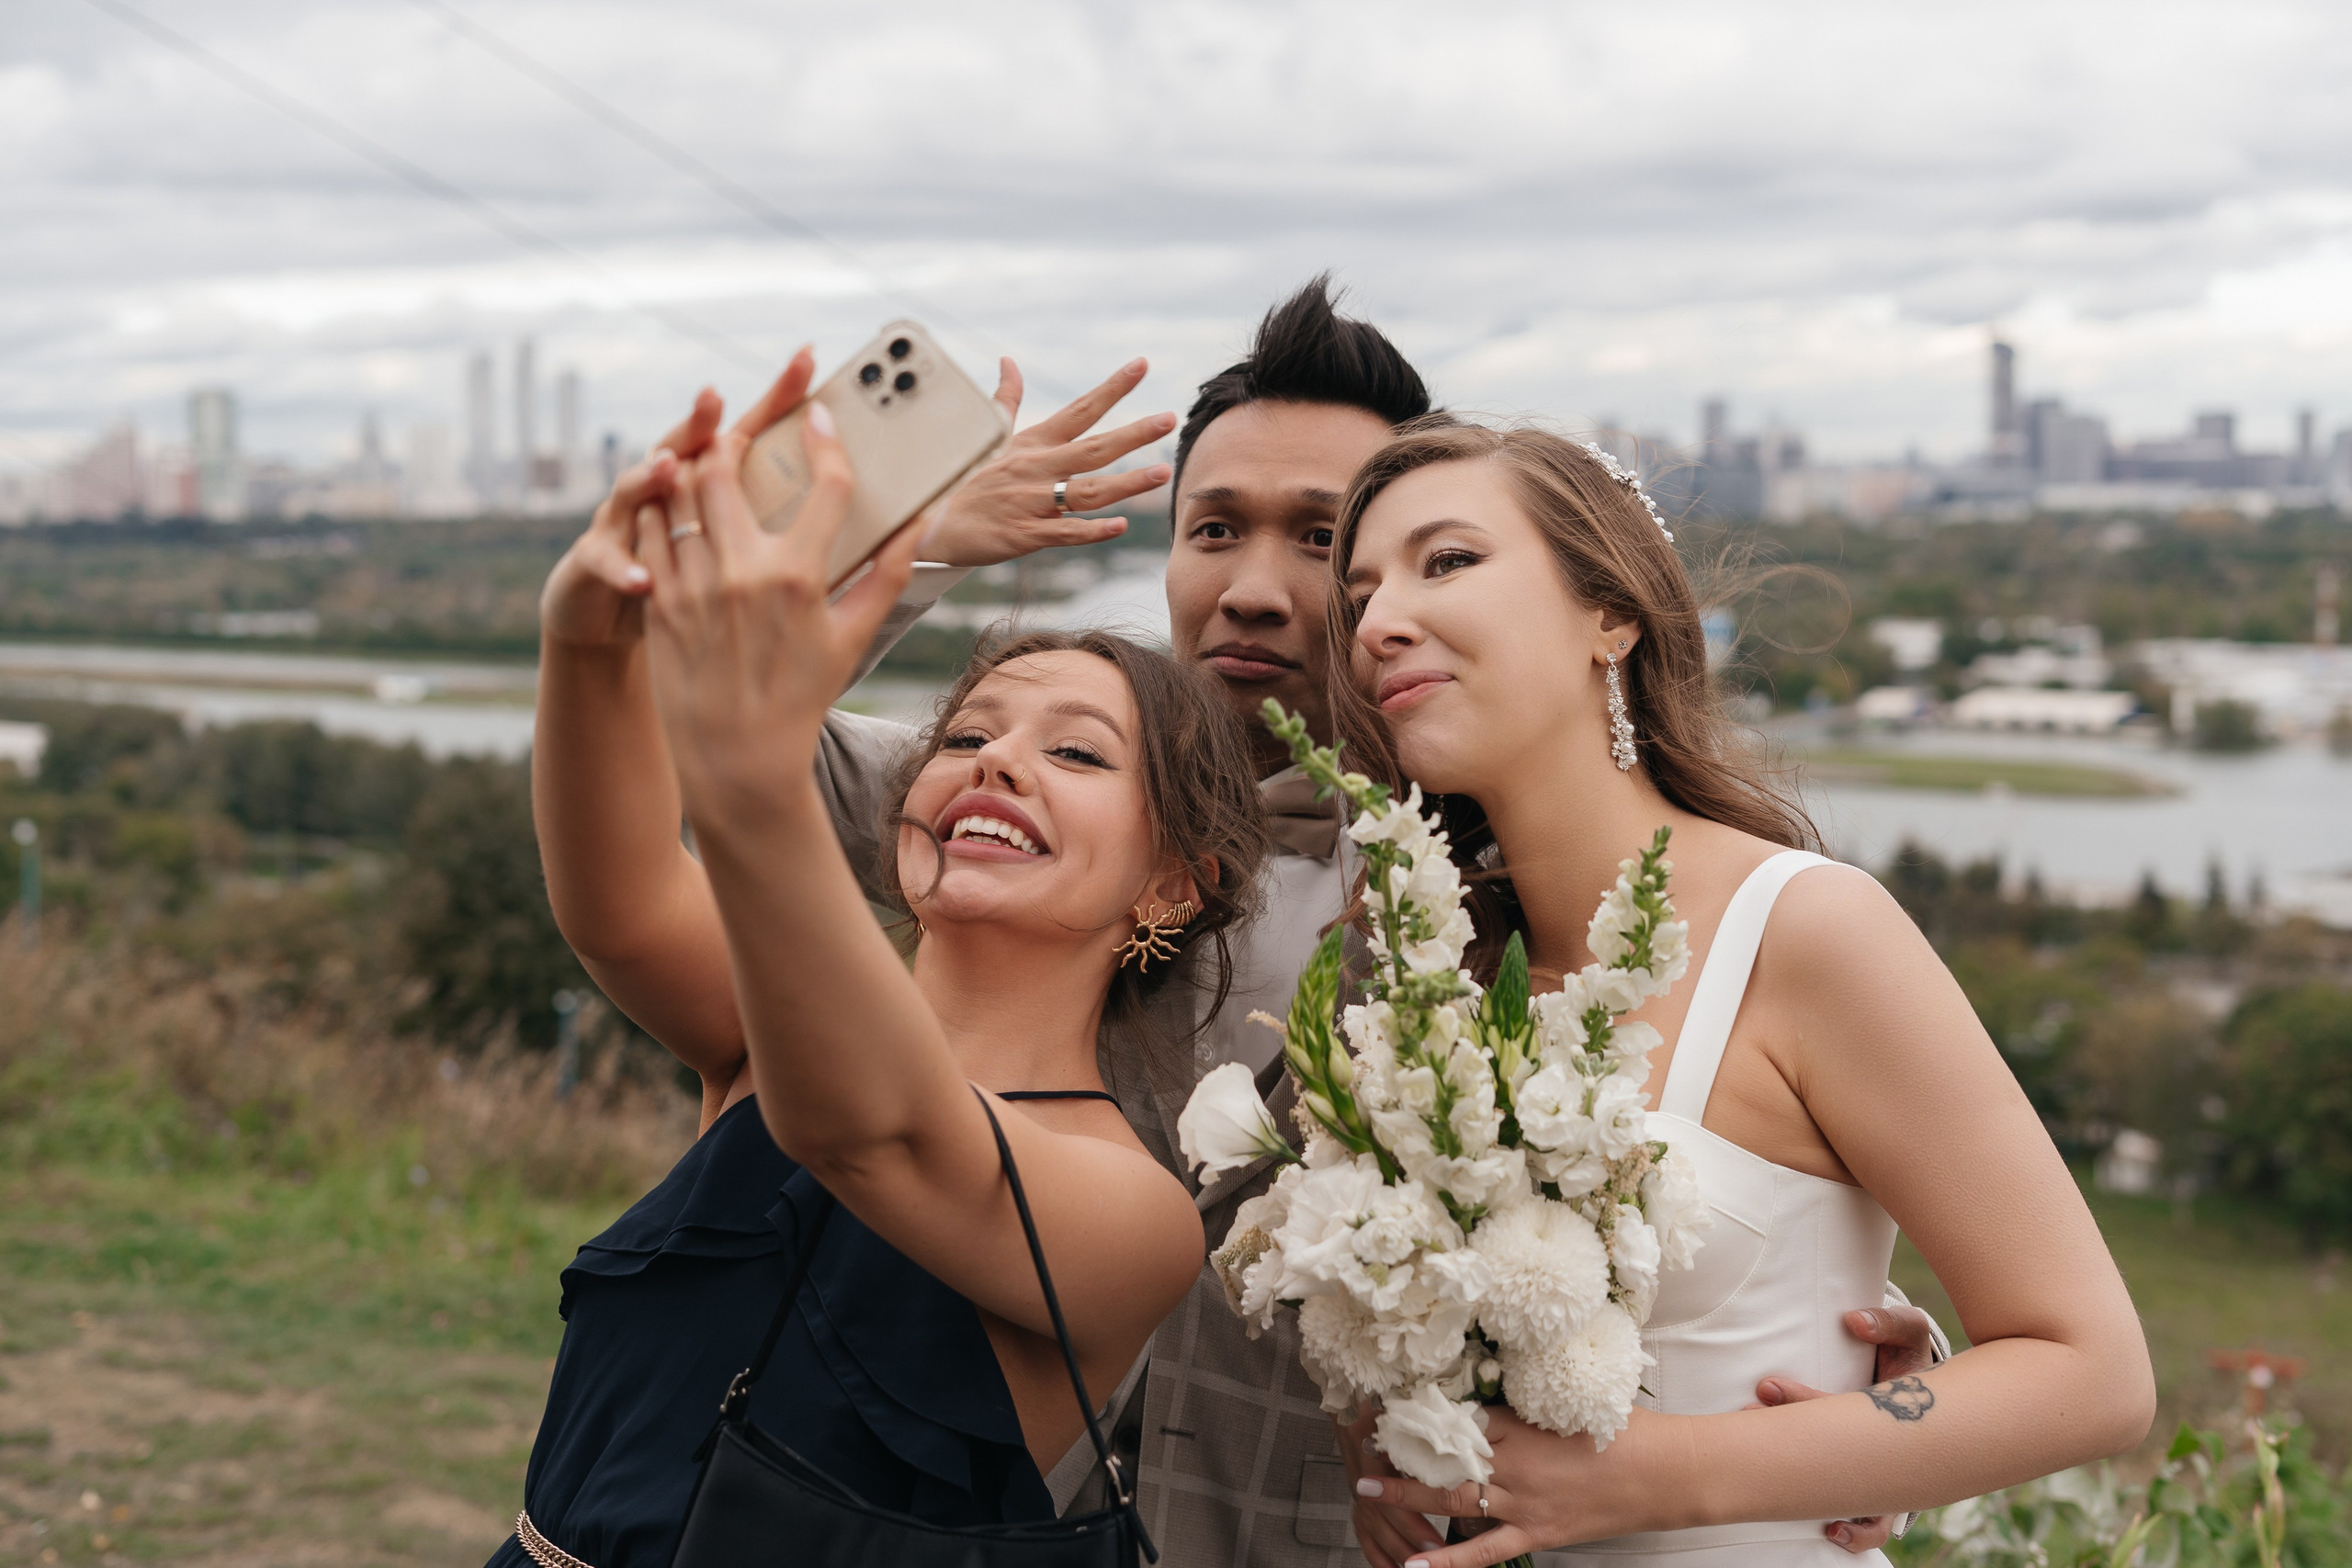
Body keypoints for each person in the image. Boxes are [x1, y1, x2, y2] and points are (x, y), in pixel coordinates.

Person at [537, 279, 1943, 1566]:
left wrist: (1806, 1373)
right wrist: (900, 547)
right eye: (1213, 528)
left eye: (1327, 539)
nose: (1258, 584)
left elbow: (1707, 1141)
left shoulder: (1535, 897)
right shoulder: (1067, 790)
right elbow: (711, 761)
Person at [1329, 420, 2155, 1567]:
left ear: (1608, 613)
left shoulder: (1808, 931)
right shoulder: (1421, 982)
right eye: (1359, 594)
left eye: (1447, 561)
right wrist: (1384, 1442)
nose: (1377, 623)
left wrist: (1675, 1475)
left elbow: (2094, 1376)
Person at [490, 381, 1272, 1566]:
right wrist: (589, 632)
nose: (999, 761)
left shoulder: (1138, 1216)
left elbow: (882, 1136)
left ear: (1170, 887)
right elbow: (619, 899)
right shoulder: (768, 1045)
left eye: (1073, 751)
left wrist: (750, 774)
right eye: (965, 737)